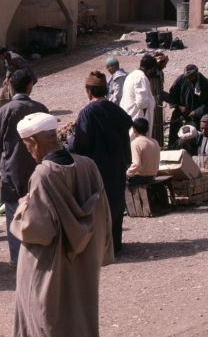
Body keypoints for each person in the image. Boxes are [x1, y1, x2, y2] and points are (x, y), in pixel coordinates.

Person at [11, 112, 113, 337]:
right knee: (79, 319)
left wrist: (22, 207)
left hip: (49, 267)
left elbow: (37, 229)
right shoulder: (88, 165)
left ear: (34, 142)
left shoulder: (43, 174)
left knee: (45, 322)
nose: (30, 153)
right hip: (83, 263)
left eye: (28, 147)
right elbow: (102, 213)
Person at [69, 70, 132, 254]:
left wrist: (69, 140)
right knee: (116, 202)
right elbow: (127, 124)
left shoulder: (88, 112)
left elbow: (81, 142)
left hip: (96, 168)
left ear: (88, 91)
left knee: (97, 206)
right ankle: (115, 244)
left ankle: (100, 247)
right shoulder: (114, 109)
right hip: (117, 166)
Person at [0, 68, 48, 265]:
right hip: (37, 168)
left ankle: (17, 258)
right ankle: (39, 252)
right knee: (38, 209)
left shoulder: (5, 110)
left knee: (14, 212)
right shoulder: (40, 108)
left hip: (11, 168)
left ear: (11, 86)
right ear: (30, 86)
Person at [167, 64, 208, 149]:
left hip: (196, 117)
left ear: (195, 75)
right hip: (180, 113)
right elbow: (172, 94)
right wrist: (179, 106)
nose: (187, 78)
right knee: (175, 134)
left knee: (194, 136)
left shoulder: (205, 83)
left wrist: (197, 112)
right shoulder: (181, 79)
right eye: (186, 76)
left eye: (190, 77)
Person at [120, 54, 157, 129]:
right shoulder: (141, 77)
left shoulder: (132, 74)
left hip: (129, 115)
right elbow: (142, 103)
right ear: (151, 69)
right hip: (137, 119)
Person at [127, 118, 161, 185]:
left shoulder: (135, 143)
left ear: (134, 129)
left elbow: (136, 164)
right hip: (152, 176)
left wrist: (127, 174)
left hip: (140, 178)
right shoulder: (155, 142)